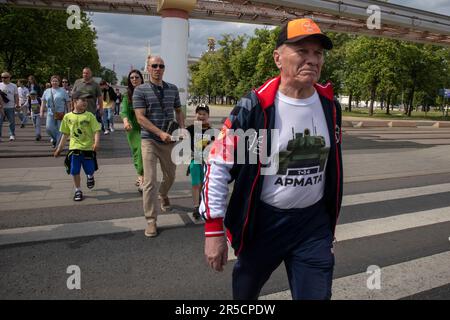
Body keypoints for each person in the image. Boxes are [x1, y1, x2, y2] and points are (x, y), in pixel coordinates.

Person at [201, 18, 343, 300]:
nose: (312, 60)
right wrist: (213, 229)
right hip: (263, 224)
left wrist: (327, 224)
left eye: (318, 53)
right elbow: (218, 164)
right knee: (244, 294)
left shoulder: (330, 105)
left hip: (312, 226)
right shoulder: (256, 106)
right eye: (302, 51)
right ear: (278, 58)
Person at [133, 55, 185, 237]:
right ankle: (151, 220)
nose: (158, 68)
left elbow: (179, 110)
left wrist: (182, 128)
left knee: (170, 175)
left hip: (169, 140)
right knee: (149, 181)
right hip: (149, 140)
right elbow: (140, 118)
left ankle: (163, 193)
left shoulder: (172, 89)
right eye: (154, 65)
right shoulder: (140, 90)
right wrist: (159, 133)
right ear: (148, 68)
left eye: (161, 66)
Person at [54, 90, 101, 202]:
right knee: (75, 170)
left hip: (88, 149)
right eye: (83, 100)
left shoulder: (89, 116)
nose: (85, 103)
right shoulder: (68, 117)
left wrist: (96, 142)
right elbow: (65, 135)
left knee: (90, 169)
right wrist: (59, 149)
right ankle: (78, 190)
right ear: (75, 101)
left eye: (86, 100)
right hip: (74, 148)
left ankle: (90, 176)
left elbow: (96, 130)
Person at [186, 104, 214, 220]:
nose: (201, 116)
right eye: (199, 114)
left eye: (204, 114)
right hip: (195, 159)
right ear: (195, 115)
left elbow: (213, 145)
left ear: (208, 116)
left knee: (203, 184)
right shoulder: (191, 128)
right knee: (196, 183)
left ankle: (201, 201)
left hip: (206, 161)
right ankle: (196, 206)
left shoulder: (211, 130)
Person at [120, 70, 144, 192]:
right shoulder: (127, 95)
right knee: (137, 152)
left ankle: (141, 177)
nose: (134, 79)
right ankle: (141, 177)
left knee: (144, 153)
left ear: (141, 78)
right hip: (133, 128)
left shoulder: (147, 92)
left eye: (136, 77)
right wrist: (125, 121)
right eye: (132, 78)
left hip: (146, 127)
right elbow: (124, 111)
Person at [41, 75, 70, 148]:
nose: (54, 82)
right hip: (50, 113)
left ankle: (58, 145)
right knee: (48, 128)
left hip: (61, 113)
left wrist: (69, 113)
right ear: (50, 82)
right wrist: (41, 111)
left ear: (59, 82)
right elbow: (43, 102)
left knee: (60, 129)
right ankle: (55, 139)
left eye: (56, 81)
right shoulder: (47, 91)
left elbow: (67, 103)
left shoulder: (63, 91)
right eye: (53, 81)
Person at [0, 72, 19, 142]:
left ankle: (12, 134)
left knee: (11, 121)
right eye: (2, 77)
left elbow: (16, 95)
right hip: (1, 107)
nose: (3, 79)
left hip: (10, 106)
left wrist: (17, 104)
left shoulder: (13, 86)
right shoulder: (0, 85)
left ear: (9, 78)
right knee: (0, 122)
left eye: (5, 77)